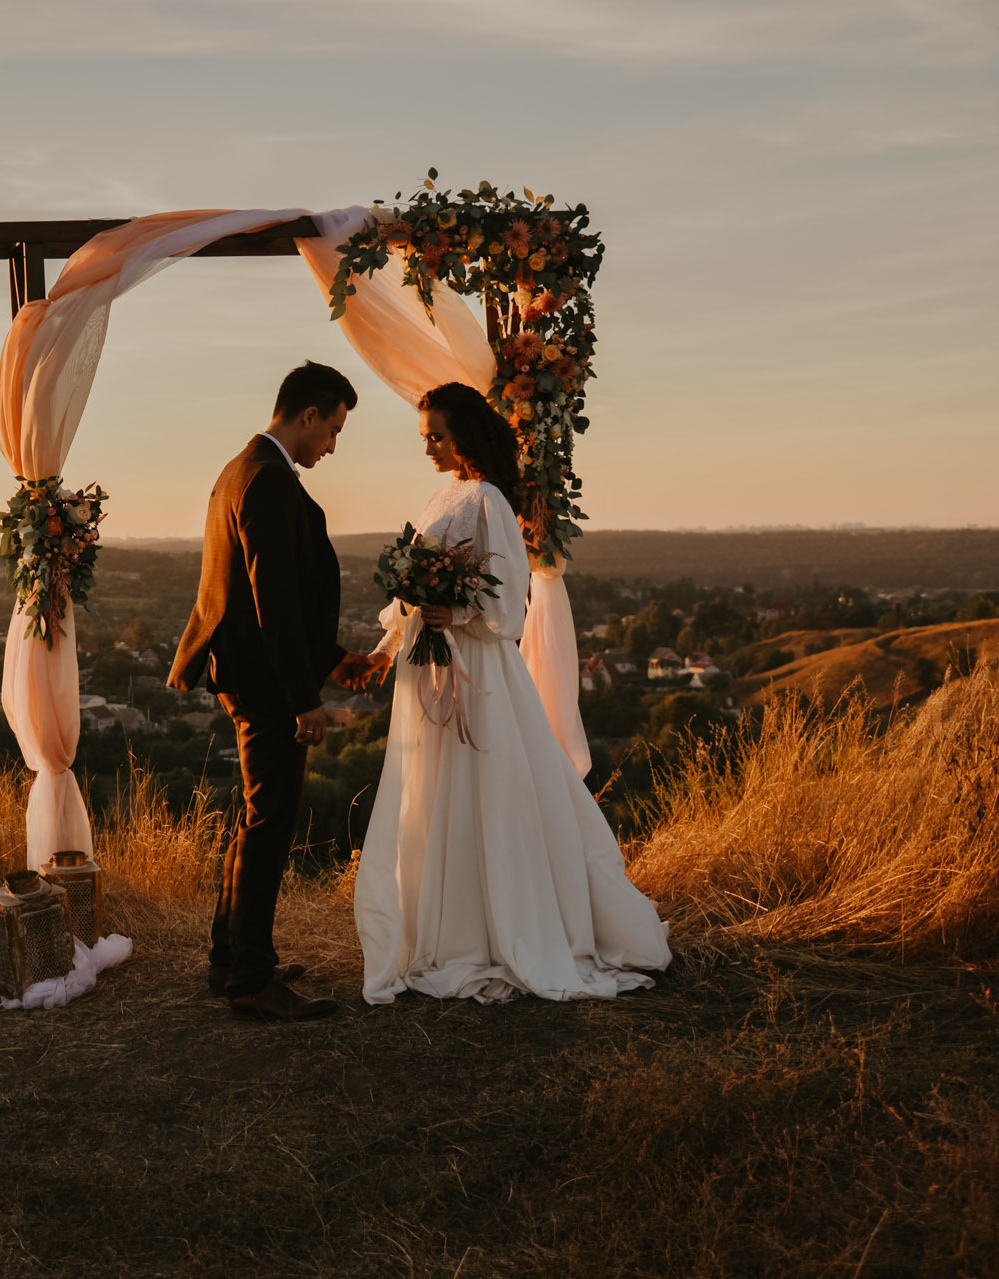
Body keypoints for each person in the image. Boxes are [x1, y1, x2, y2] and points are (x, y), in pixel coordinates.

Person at [355, 381, 672, 1004]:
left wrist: (457, 615)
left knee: (483, 788)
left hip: (475, 668)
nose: (429, 449)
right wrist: (384, 649)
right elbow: (411, 592)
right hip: (430, 665)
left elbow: (506, 604)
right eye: (424, 438)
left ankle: (495, 930)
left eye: (437, 437)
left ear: (465, 435)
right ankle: (444, 930)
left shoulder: (489, 500)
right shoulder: (442, 496)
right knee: (435, 791)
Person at [168, 361, 392, 1021]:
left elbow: (264, 595)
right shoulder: (266, 478)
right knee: (269, 825)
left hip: (251, 674)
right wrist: (303, 697)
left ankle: (230, 957)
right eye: (334, 430)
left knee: (254, 818)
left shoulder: (238, 469)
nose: (333, 445)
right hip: (265, 685)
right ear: (308, 415)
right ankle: (251, 980)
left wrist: (333, 660)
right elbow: (273, 601)